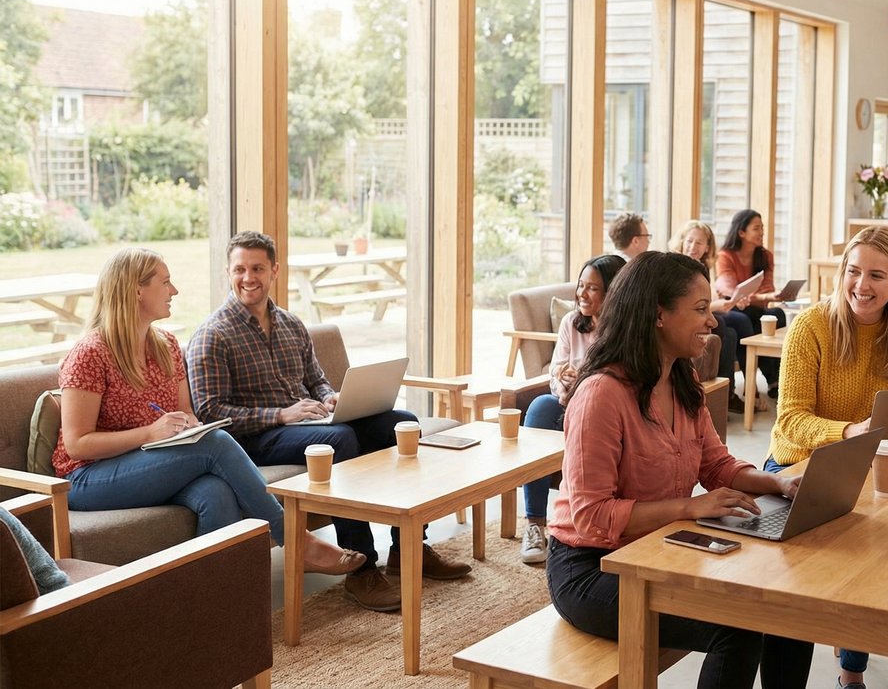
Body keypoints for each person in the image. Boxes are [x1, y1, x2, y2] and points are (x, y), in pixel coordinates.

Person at [546, 251, 814, 689]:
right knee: (737, 630)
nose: (713, 322)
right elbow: (591, 518)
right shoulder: (601, 395)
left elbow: (716, 464)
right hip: (590, 569)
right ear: (658, 316)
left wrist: (778, 482)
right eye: (701, 309)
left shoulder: (682, 380)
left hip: (656, 550)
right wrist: (690, 508)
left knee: (788, 604)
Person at [186, 231, 468, 613]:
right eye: (239, 269)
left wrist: (328, 396)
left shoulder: (290, 324)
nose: (248, 277)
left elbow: (315, 378)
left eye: (257, 268)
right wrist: (282, 415)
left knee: (401, 423)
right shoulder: (213, 334)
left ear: (275, 271)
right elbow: (211, 413)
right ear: (227, 272)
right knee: (338, 440)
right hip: (255, 439)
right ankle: (362, 567)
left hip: (303, 426)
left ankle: (409, 548)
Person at [57, 248, 363, 578]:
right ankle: (294, 539)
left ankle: (215, 606)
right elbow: (77, 444)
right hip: (87, 477)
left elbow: (187, 412)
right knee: (215, 443)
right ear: (136, 290)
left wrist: (186, 425)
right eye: (166, 282)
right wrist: (149, 433)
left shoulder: (166, 346)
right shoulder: (90, 353)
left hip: (150, 461)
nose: (174, 291)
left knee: (214, 493)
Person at [762, 225, 888, 689]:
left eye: (876, 275)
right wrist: (849, 433)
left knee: (880, 551)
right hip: (796, 462)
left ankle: (850, 673)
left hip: (871, 458)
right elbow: (792, 420)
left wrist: (873, 443)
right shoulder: (811, 326)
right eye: (853, 272)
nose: (862, 285)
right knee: (799, 581)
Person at [516, 253, 625, 565]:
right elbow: (556, 374)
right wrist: (565, 382)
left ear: (613, 293)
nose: (582, 294)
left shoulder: (624, 333)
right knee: (540, 407)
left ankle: (590, 518)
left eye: (592, 288)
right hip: (569, 403)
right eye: (580, 286)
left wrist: (584, 383)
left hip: (606, 412)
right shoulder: (571, 323)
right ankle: (535, 524)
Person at [670, 220, 745, 413]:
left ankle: (727, 392)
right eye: (689, 241)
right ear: (681, 241)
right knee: (722, 325)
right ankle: (725, 394)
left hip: (701, 311)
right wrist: (716, 305)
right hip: (684, 315)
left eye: (699, 243)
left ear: (707, 247)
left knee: (732, 332)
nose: (692, 247)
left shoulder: (702, 267)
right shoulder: (673, 265)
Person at [715, 209, 786, 399]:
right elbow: (728, 289)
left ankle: (775, 381)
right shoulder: (725, 256)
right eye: (756, 228)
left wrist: (758, 297)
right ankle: (751, 384)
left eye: (762, 227)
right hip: (733, 310)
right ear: (741, 233)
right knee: (746, 321)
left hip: (754, 308)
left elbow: (767, 289)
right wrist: (759, 297)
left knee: (778, 314)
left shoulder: (765, 256)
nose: (762, 232)